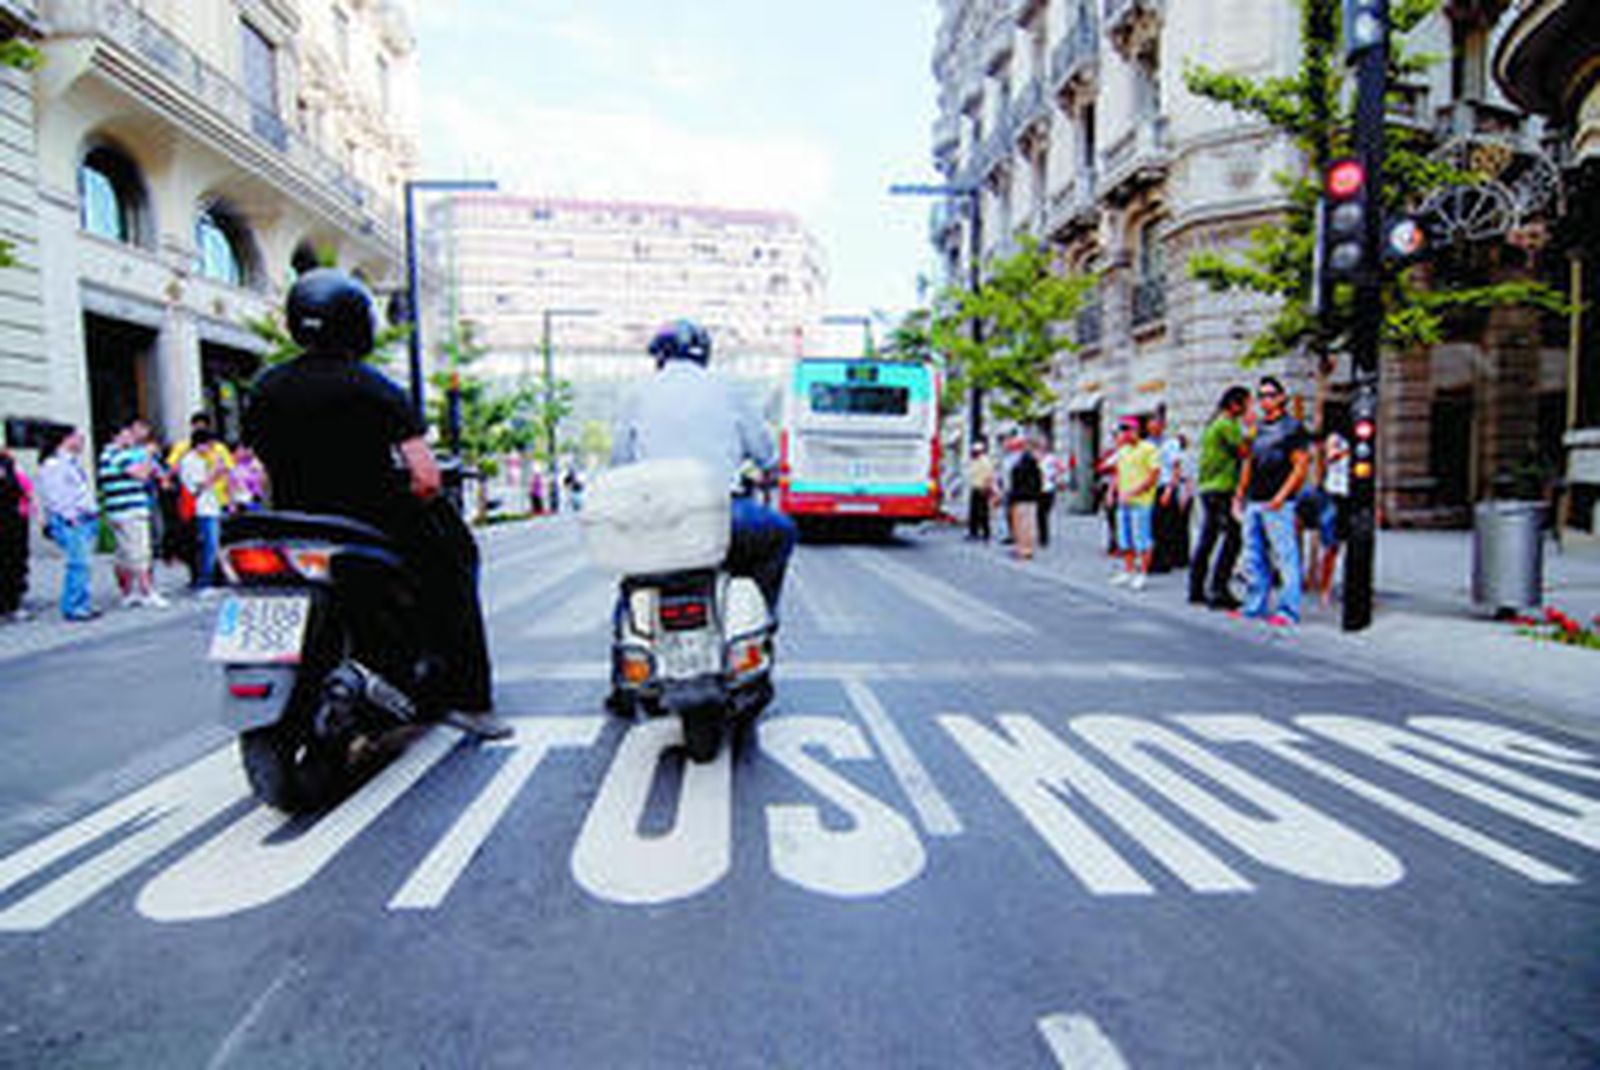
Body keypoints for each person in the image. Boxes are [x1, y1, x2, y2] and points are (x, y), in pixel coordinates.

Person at [243, 268, 507, 739]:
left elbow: (262, 466)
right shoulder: (375, 387)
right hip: (370, 521)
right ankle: (469, 700)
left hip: (291, 522)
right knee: (455, 568)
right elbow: (426, 478)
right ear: (358, 323)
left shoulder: (264, 387)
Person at [612, 318, 797, 615]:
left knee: (635, 579)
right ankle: (759, 615)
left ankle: (627, 629)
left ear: (660, 357)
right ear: (705, 355)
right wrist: (771, 470)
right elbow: (766, 454)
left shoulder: (636, 393)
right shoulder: (729, 389)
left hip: (658, 517)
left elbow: (619, 463)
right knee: (780, 533)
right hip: (721, 514)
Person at [1234, 375, 1312, 626]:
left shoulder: (1293, 428)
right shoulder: (1256, 428)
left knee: (1285, 556)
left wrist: (1281, 496)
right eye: (1261, 396)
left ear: (1281, 398)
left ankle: (1288, 610)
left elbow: (1301, 466)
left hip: (1278, 502)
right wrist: (1239, 493)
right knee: (1253, 555)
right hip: (1254, 500)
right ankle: (1254, 604)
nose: (1265, 400)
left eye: (1270, 395)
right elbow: (1248, 462)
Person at [1189, 386, 1251, 610]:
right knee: (1234, 537)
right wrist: (1252, 428)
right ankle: (1219, 589)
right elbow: (1245, 451)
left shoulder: (1214, 423)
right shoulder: (1227, 424)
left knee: (1208, 537)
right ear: (1235, 405)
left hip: (1208, 487)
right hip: (1223, 487)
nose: (1249, 409)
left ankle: (1196, 589)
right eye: (1247, 404)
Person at [98, 418, 166, 608]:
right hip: (129, 510)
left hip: (119, 509)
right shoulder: (116, 454)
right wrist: (148, 456)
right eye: (127, 434)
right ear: (116, 436)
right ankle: (146, 592)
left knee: (125, 554)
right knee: (139, 552)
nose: (131, 437)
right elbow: (141, 475)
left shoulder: (112, 454)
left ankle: (128, 593)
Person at [36, 425, 100, 621]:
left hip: (84, 518)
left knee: (83, 563)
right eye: (78, 437)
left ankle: (82, 603)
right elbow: (54, 496)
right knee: (78, 563)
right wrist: (70, 516)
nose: (82, 441)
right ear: (65, 439)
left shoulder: (70, 463)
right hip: (72, 520)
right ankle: (73, 606)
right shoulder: (54, 465)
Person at [1111, 416, 1160, 590]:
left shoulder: (1148, 448)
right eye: (1123, 430)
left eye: (1129, 430)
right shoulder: (1122, 451)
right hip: (1123, 500)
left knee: (1142, 539)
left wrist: (1134, 491)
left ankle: (1142, 573)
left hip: (1141, 501)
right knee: (1125, 538)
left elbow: (1154, 475)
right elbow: (1118, 473)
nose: (1125, 434)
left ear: (1137, 430)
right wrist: (1113, 492)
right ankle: (1129, 570)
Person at [178, 427, 229, 590]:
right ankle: (204, 581)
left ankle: (210, 579)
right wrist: (215, 473)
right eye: (209, 445)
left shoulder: (207, 458)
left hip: (212, 506)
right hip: (200, 509)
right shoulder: (189, 461)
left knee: (213, 545)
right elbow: (196, 488)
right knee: (208, 545)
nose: (211, 448)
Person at [1147, 407, 1189, 573]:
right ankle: (1155, 558)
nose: (1153, 426)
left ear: (1163, 425)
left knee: (1166, 525)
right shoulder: (1148, 444)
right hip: (1151, 487)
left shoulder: (1170, 444)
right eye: (1151, 422)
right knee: (1154, 525)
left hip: (1165, 486)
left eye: (1156, 422)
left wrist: (1170, 489)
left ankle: (1165, 560)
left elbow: (1176, 468)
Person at [1314, 424, 1351, 608]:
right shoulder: (1335, 438)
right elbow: (1331, 456)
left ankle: (1347, 586)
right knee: (1331, 546)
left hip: (1350, 496)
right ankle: (1325, 589)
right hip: (1334, 495)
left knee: (1351, 545)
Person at [0, 445, 33, 620]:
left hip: (11, 520)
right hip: (7, 518)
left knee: (13, 562)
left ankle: (12, 603)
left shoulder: (7, 462)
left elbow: (20, 487)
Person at [1007, 436, 1043, 560]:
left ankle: (1020, 549)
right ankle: (1029, 549)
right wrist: (1037, 495)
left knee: (1019, 525)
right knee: (1030, 524)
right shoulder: (1036, 466)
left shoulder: (1017, 465)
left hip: (1019, 498)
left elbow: (1014, 482)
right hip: (1032, 498)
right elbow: (1039, 483)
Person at [1038, 438, 1065, 549]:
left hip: (1049, 488)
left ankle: (1043, 536)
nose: (1042, 447)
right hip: (1038, 489)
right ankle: (1042, 536)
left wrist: (1056, 477)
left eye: (1043, 445)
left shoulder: (1051, 458)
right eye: (1040, 445)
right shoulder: (1036, 457)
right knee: (1040, 514)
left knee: (1044, 513)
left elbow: (1062, 468)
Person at [966, 440, 995, 541]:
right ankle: (973, 532)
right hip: (975, 488)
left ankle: (986, 533)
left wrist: (986, 488)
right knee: (973, 512)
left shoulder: (985, 462)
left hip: (982, 488)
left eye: (975, 451)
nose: (973, 453)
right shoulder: (974, 461)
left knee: (983, 512)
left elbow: (989, 476)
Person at [228, 444, 267, 513]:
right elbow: (231, 489)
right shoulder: (234, 469)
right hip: (240, 504)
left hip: (254, 504)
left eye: (243, 449)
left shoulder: (255, 465)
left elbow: (262, 484)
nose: (244, 451)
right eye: (239, 450)